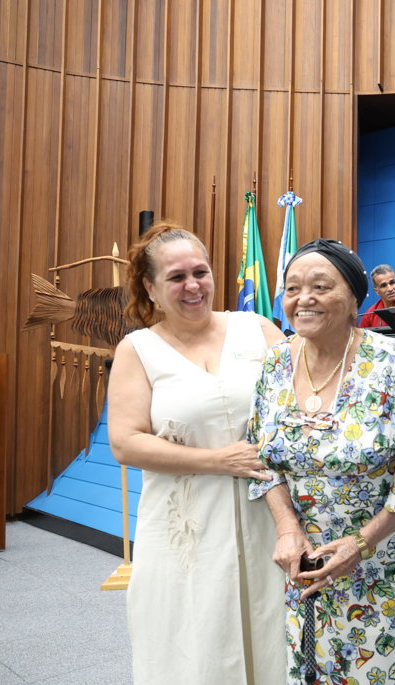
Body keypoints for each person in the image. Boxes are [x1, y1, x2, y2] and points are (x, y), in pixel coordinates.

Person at [248, 238, 395, 684]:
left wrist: (359, 544)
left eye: (321, 286)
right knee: (313, 669)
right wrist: (287, 529)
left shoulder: (391, 362)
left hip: (384, 566)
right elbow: (262, 460)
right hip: (305, 563)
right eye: (292, 288)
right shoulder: (274, 365)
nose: (303, 298)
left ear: (354, 299)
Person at [107, 223, 287, 684]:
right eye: (176, 277)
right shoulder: (138, 350)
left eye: (200, 272)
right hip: (186, 525)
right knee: (195, 637)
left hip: (268, 518)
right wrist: (217, 461)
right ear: (150, 287)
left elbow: (300, 402)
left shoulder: (256, 329)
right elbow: (126, 441)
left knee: (271, 630)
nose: (193, 286)